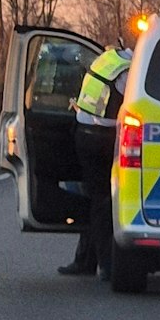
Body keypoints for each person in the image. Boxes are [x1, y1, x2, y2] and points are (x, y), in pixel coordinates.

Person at [59, 43, 134, 277]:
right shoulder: (131, 70)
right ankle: (108, 265)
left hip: (84, 133)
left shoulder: (109, 58)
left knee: (95, 199)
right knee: (105, 201)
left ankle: (86, 260)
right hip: (104, 138)